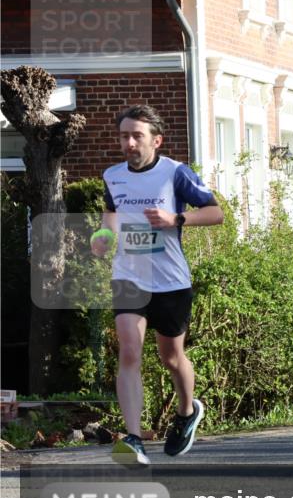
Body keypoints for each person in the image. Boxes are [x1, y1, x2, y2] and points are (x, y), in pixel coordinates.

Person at [90, 104, 223, 466]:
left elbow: (216, 213)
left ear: (156, 140)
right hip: (129, 275)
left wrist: (176, 217)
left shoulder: (175, 173)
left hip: (170, 280)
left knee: (171, 357)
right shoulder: (112, 175)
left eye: (137, 136)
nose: (129, 143)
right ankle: (133, 438)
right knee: (129, 351)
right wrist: (102, 236)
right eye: (124, 136)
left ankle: (186, 411)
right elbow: (111, 216)